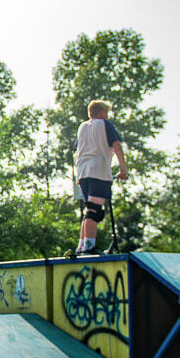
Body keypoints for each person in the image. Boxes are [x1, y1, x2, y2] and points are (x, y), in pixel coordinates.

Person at [73, 100, 128, 255]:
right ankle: (89, 247)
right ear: (101, 112)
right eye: (106, 113)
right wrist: (123, 169)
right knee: (94, 210)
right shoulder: (105, 125)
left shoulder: (82, 127)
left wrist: (78, 175)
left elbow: (78, 151)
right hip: (98, 171)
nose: (107, 116)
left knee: (89, 209)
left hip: (83, 173)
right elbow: (117, 145)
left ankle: (82, 245)